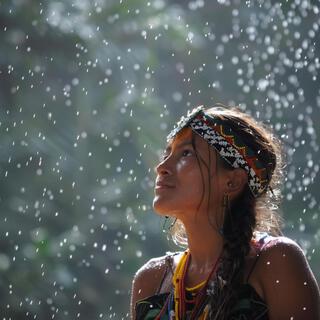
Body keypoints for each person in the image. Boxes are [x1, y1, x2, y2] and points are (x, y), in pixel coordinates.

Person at [130, 105, 320, 319]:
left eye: (185, 153)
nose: (161, 167)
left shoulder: (274, 262)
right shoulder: (150, 281)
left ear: (233, 181)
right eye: (167, 154)